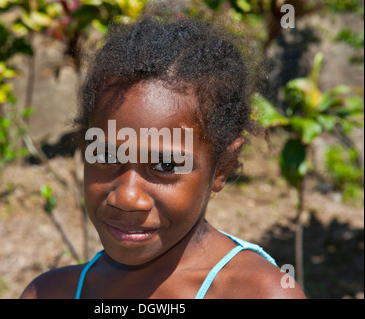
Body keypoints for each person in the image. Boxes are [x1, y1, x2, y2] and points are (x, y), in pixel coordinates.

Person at [20, 15, 306, 299]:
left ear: (222, 167)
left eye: (165, 165)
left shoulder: (258, 294)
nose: (127, 197)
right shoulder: (51, 293)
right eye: (105, 155)